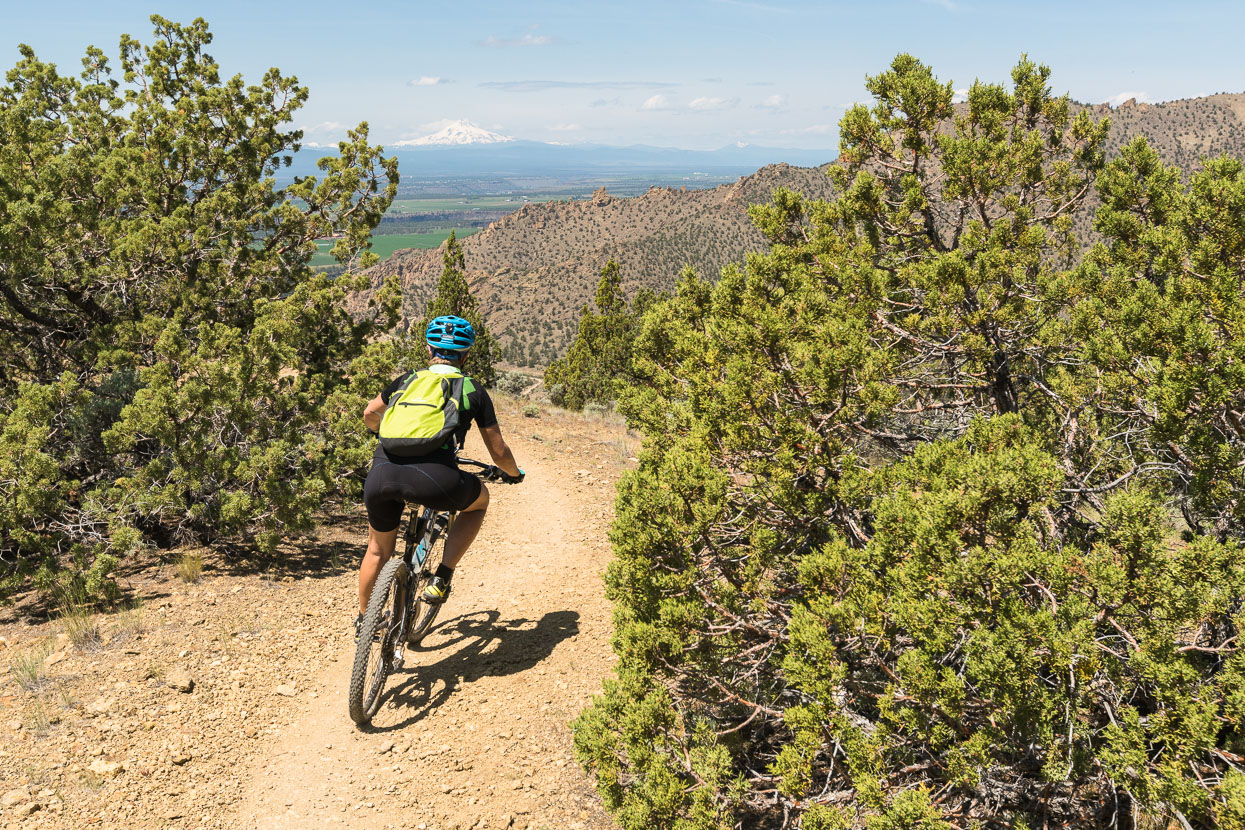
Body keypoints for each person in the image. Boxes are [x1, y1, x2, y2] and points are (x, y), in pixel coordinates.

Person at [357, 315, 523, 632]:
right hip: (436, 481)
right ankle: (442, 577)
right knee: (480, 501)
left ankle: (365, 622)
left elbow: (369, 413)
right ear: (466, 355)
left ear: (429, 349)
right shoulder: (472, 388)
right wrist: (514, 474)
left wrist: (383, 433)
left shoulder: (406, 380)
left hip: (381, 476)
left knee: (377, 550)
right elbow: (498, 451)